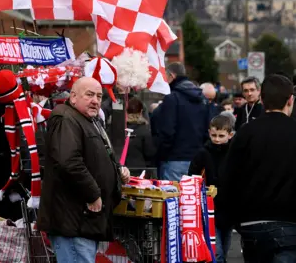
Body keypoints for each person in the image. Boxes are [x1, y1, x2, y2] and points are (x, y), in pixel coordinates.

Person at [218, 75, 296, 262]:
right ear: (290, 100)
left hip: (252, 223)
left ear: (261, 99)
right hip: (292, 223)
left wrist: (235, 219)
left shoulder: (246, 132)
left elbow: (229, 178)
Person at [37, 77, 130, 263]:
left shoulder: (88, 120)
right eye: (89, 95)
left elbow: (94, 156)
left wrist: (117, 170)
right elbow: (69, 162)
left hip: (83, 221)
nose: (95, 100)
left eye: (98, 96)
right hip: (74, 220)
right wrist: (93, 194)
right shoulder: (66, 118)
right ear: (73, 97)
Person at [150, 62, 210, 181]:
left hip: (174, 159)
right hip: (197, 158)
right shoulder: (202, 99)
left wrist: (161, 154)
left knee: (172, 197)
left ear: (172, 76)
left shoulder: (172, 98)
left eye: (165, 77)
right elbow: (206, 129)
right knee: (191, 198)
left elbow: (167, 131)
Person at [188, 114, 235, 263]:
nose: (217, 139)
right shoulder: (203, 153)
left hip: (229, 207)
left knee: (224, 249)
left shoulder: (234, 153)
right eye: (214, 135)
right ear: (209, 133)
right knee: (217, 253)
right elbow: (192, 176)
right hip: (209, 207)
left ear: (230, 135)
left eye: (221, 136)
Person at [124, 97, 156, 175]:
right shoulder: (144, 130)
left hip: (122, 170)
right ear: (141, 111)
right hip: (139, 171)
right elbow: (149, 153)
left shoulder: (118, 128)